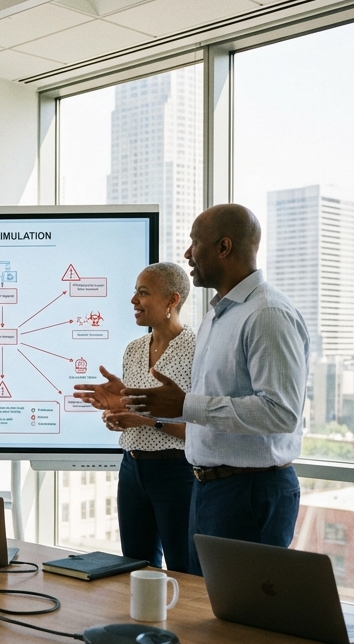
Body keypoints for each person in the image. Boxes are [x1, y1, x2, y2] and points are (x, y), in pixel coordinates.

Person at [123, 205, 309, 574]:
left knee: (240, 620)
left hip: (250, 493)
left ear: (224, 247)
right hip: (209, 489)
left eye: (195, 243)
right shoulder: (217, 316)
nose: (187, 254)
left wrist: (186, 405)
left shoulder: (266, 314)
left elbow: (281, 412)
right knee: (203, 607)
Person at [74, 263, 196, 573]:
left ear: (172, 300)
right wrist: (116, 409)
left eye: (143, 293)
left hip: (176, 472)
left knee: (184, 568)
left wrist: (147, 421)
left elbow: (203, 428)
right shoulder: (134, 349)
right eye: (134, 292)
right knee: (136, 568)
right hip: (131, 470)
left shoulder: (197, 349)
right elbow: (136, 409)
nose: (133, 301)